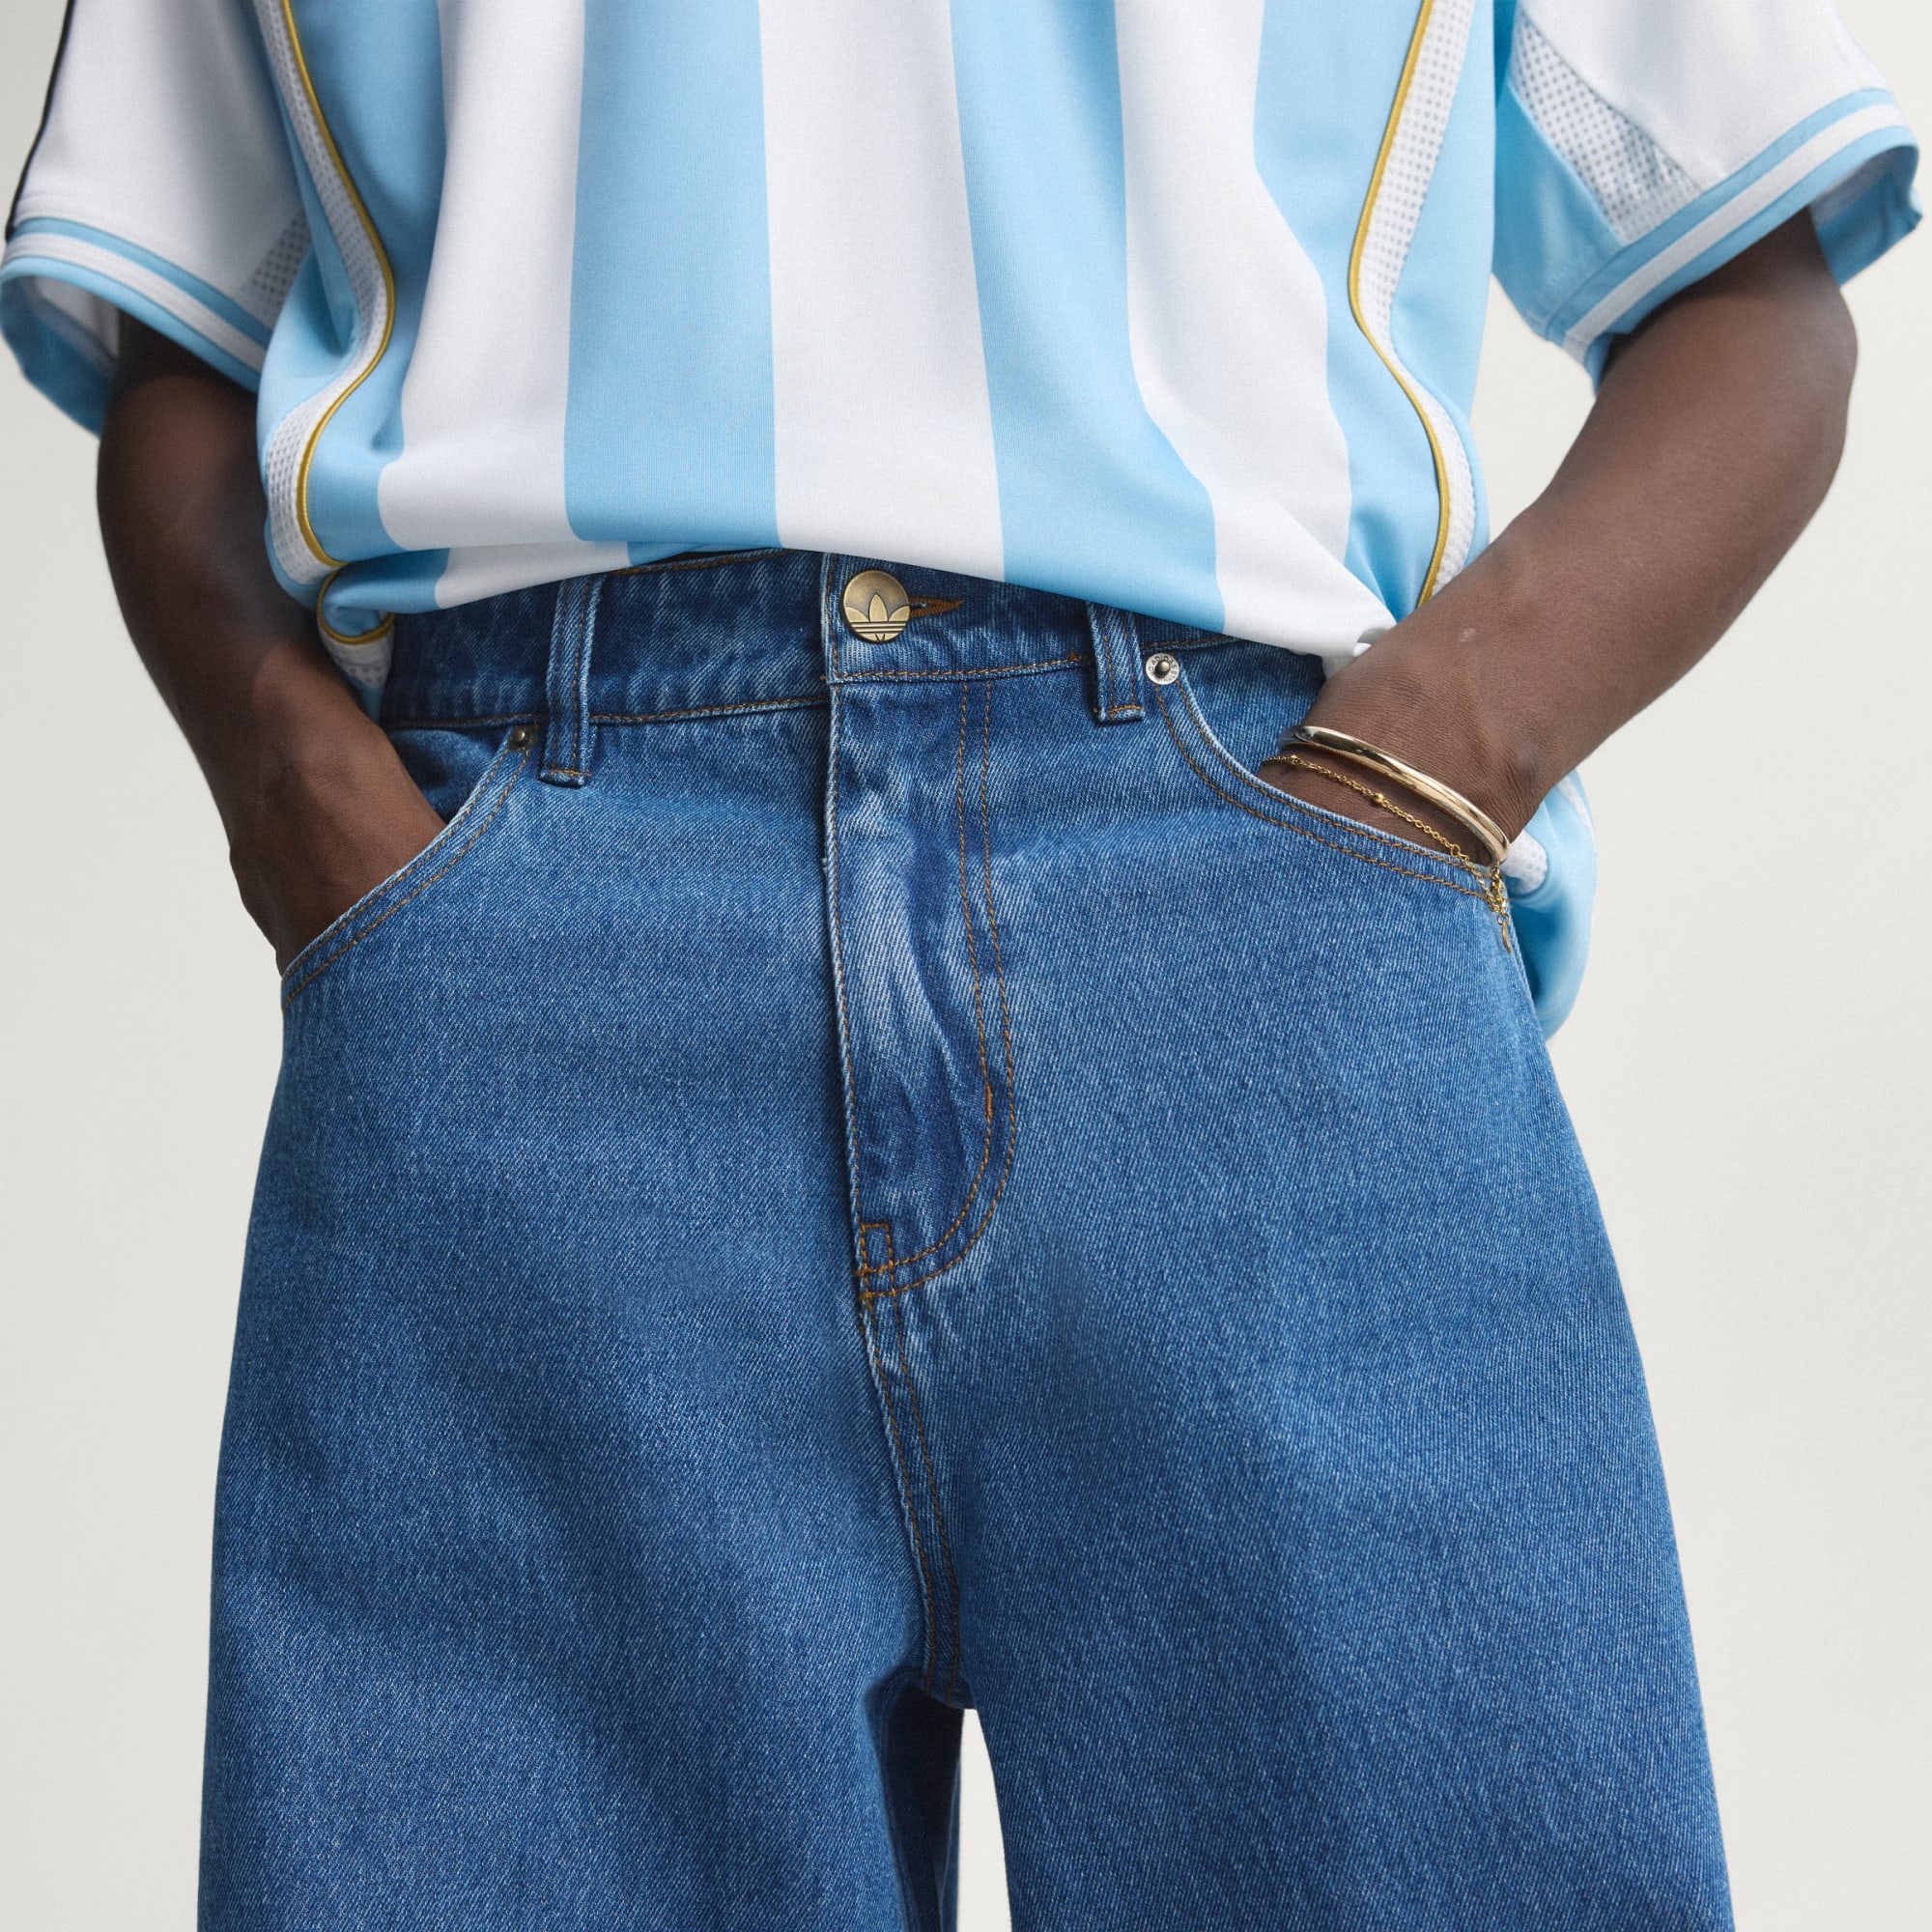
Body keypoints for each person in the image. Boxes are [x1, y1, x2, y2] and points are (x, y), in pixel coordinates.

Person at [2, 2, 1917, 1925]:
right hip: (536, 987)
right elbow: (184, 312)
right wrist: (296, 785)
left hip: (1257, 943)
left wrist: (1438, 754)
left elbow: (1747, 283)